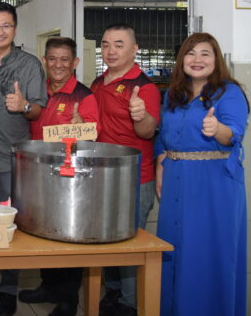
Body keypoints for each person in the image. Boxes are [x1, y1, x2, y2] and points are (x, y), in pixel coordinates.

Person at [154, 33, 248, 316]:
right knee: (172, 251)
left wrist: (216, 129)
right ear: (181, 59)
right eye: (190, 53)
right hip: (175, 182)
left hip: (213, 185)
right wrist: (161, 162)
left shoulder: (230, 92)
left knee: (205, 254)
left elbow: (233, 133)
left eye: (205, 53)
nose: (197, 60)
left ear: (216, 60)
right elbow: (163, 135)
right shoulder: (174, 94)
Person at [0, 1, 47, 316]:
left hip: (9, 158)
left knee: (6, 223)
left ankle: (9, 290)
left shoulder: (29, 64)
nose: (0, 31)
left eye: (6, 25)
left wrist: (24, 105)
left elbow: (38, 109)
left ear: (15, 29)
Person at [18, 37, 99, 316]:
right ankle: (48, 286)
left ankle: (68, 300)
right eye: (52, 59)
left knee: (68, 234)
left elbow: (92, 138)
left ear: (75, 62)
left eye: (65, 59)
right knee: (44, 231)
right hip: (38, 173)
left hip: (69, 177)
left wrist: (81, 126)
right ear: (44, 61)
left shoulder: (84, 96)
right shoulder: (37, 92)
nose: (58, 65)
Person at [90, 23, 160, 316]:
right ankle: (114, 292)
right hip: (102, 174)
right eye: (106, 44)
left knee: (129, 239)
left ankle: (130, 303)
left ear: (135, 49)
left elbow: (147, 132)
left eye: (119, 44)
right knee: (107, 236)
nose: (111, 51)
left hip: (134, 177)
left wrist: (140, 115)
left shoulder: (144, 87)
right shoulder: (98, 83)